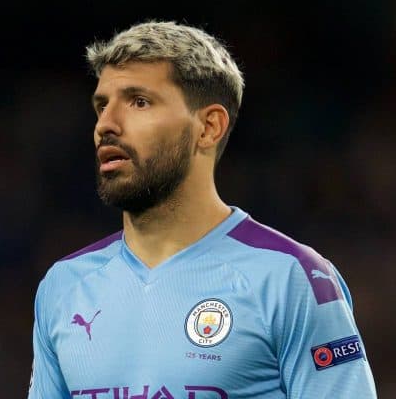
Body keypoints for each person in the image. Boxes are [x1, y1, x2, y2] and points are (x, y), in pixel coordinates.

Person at [28, 21, 377, 399]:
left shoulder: (290, 278)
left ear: (209, 127)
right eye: (102, 105)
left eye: (139, 101)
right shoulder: (64, 287)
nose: (106, 125)